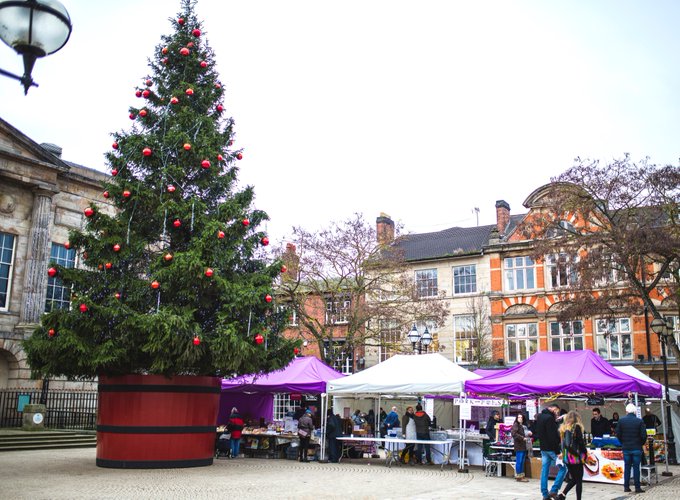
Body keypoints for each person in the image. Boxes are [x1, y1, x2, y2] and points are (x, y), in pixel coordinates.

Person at [536, 403, 567, 500]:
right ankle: (554, 490)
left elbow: (539, 432)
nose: (557, 413)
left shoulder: (540, 417)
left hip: (543, 448)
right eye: (557, 411)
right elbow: (552, 437)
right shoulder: (549, 419)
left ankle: (545, 495)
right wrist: (558, 452)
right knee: (563, 468)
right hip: (551, 449)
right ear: (554, 408)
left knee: (544, 471)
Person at [556, 411, 588, 500]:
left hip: (567, 457)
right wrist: (585, 452)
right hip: (575, 457)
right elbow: (580, 442)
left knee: (574, 478)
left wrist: (563, 453)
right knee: (579, 480)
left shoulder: (563, 428)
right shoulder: (576, 427)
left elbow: (563, 444)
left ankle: (562, 495)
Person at [618, 403, 647, 493]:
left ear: (626, 411)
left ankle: (626, 487)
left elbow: (618, 434)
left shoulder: (621, 421)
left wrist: (623, 442)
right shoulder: (639, 421)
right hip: (636, 447)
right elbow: (643, 435)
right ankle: (637, 487)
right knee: (636, 467)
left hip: (626, 447)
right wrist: (640, 443)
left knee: (627, 467)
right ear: (635, 411)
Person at [511, 413, 532, 482]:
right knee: (519, 461)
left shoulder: (521, 425)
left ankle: (521, 476)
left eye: (521, 417)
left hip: (523, 445)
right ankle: (519, 476)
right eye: (519, 417)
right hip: (519, 445)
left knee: (522, 461)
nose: (520, 418)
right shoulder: (516, 425)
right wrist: (522, 438)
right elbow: (514, 434)